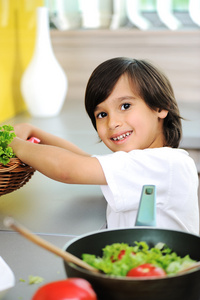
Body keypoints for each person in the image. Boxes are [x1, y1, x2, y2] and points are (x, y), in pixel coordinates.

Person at [10, 57, 199, 234]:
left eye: (125, 106)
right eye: (102, 114)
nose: (112, 123)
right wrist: (35, 132)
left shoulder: (165, 163)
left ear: (159, 107)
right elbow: (85, 161)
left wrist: (14, 144)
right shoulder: (148, 163)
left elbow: (68, 169)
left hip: (161, 269)